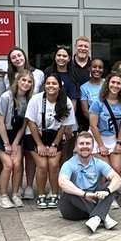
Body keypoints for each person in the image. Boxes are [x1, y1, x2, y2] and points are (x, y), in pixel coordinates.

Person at [27, 74, 76, 207]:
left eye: (54, 83)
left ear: (60, 86)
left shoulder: (66, 101)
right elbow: (31, 123)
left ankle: (55, 194)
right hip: (36, 135)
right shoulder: (36, 99)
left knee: (54, 164)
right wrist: (40, 145)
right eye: (48, 83)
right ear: (44, 86)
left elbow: (63, 125)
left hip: (55, 136)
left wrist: (54, 145)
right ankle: (41, 195)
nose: (51, 86)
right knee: (42, 165)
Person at [57, 132, 121, 234]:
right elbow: (62, 182)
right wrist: (84, 194)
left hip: (91, 203)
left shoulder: (98, 163)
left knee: (112, 185)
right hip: (72, 210)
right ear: (76, 147)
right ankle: (103, 216)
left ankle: (96, 218)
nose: (85, 146)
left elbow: (117, 178)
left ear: (92, 146)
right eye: (81, 143)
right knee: (68, 190)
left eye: (88, 143)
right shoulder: (69, 164)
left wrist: (107, 191)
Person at [0, 70, 34, 208]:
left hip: (17, 135)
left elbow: (24, 123)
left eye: (29, 81)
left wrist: (16, 143)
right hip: (3, 134)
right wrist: (6, 144)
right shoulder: (6, 97)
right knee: (8, 164)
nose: (26, 84)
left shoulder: (29, 99)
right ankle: (3, 196)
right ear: (17, 81)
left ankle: (15, 194)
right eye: (23, 80)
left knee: (17, 164)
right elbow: (0, 121)